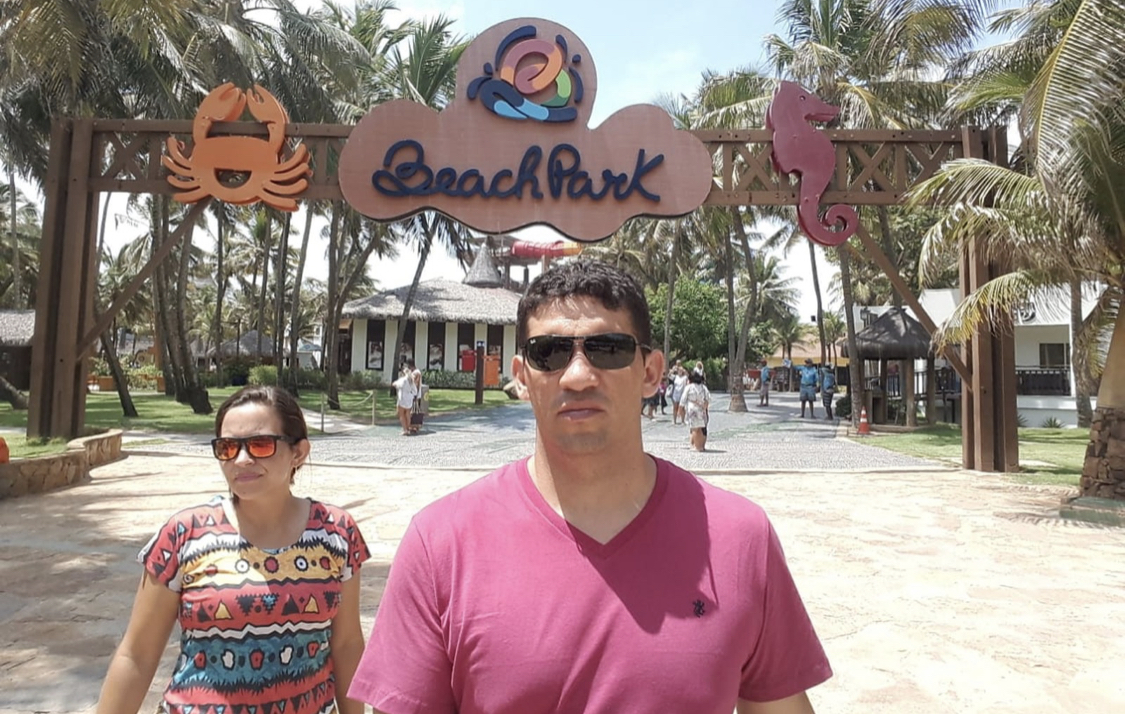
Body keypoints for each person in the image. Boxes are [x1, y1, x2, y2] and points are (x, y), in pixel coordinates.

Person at [348, 258, 831, 714]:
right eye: (549, 353)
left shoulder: (740, 539)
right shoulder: (440, 546)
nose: (578, 376)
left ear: (651, 373)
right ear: (522, 379)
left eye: (608, 349)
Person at [96, 385, 370, 714]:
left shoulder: (336, 532)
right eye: (227, 448)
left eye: (260, 444)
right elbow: (137, 655)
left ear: (298, 453)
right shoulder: (185, 535)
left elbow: (347, 644)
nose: (241, 460)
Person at [682, 368, 711, 451]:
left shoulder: (689, 387)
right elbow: (708, 399)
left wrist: (680, 410)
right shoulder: (703, 387)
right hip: (702, 409)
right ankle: (701, 446)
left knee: (694, 428)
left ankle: (696, 446)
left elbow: (683, 400)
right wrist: (705, 407)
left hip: (692, 409)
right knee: (702, 428)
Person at [393, 359, 420, 436]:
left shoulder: (403, 380)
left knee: (401, 414)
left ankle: (405, 429)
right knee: (407, 414)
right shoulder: (411, 381)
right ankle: (408, 428)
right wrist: (411, 395)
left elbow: (398, 385)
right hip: (409, 399)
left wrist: (395, 385)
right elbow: (415, 391)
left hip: (402, 398)